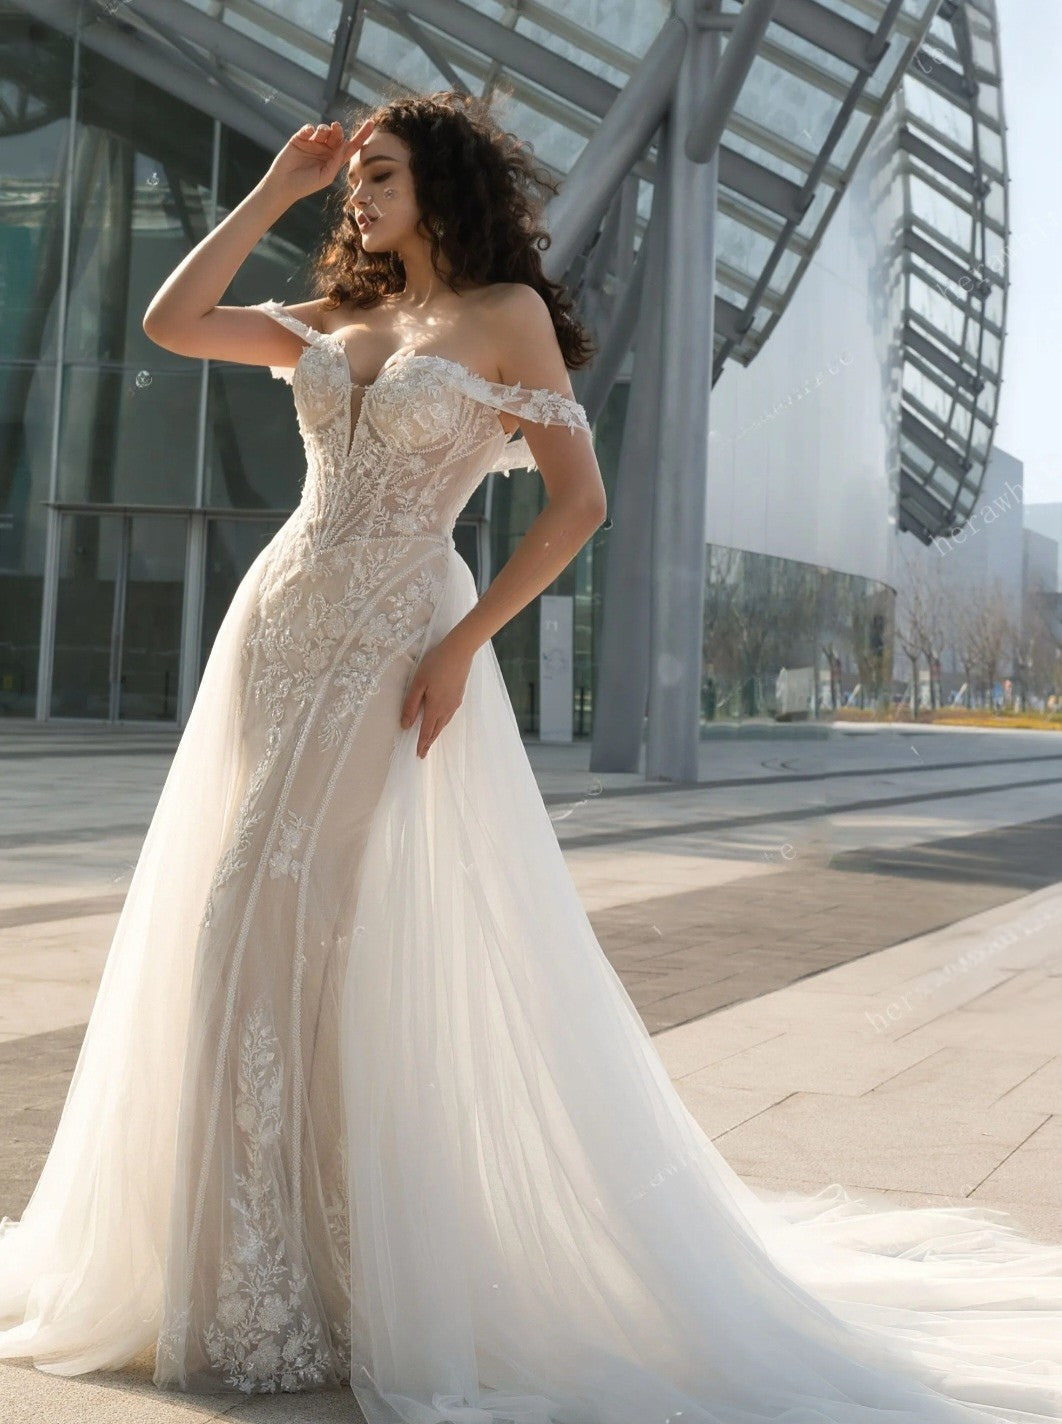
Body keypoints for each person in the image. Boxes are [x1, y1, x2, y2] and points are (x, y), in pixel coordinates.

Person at [1, 89, 1061, 1424]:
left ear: (439, 182)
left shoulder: (502, 318)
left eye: (377, 173)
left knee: (268, 915)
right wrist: (272, 192)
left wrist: (466, 646)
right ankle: (248, 1268)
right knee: (247, 928)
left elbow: (580, 504)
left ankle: (306, 1271)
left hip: (397, 633)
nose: (357, 194)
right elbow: (169, 321)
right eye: (352, 179)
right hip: (277, 629)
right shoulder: (334, 319)